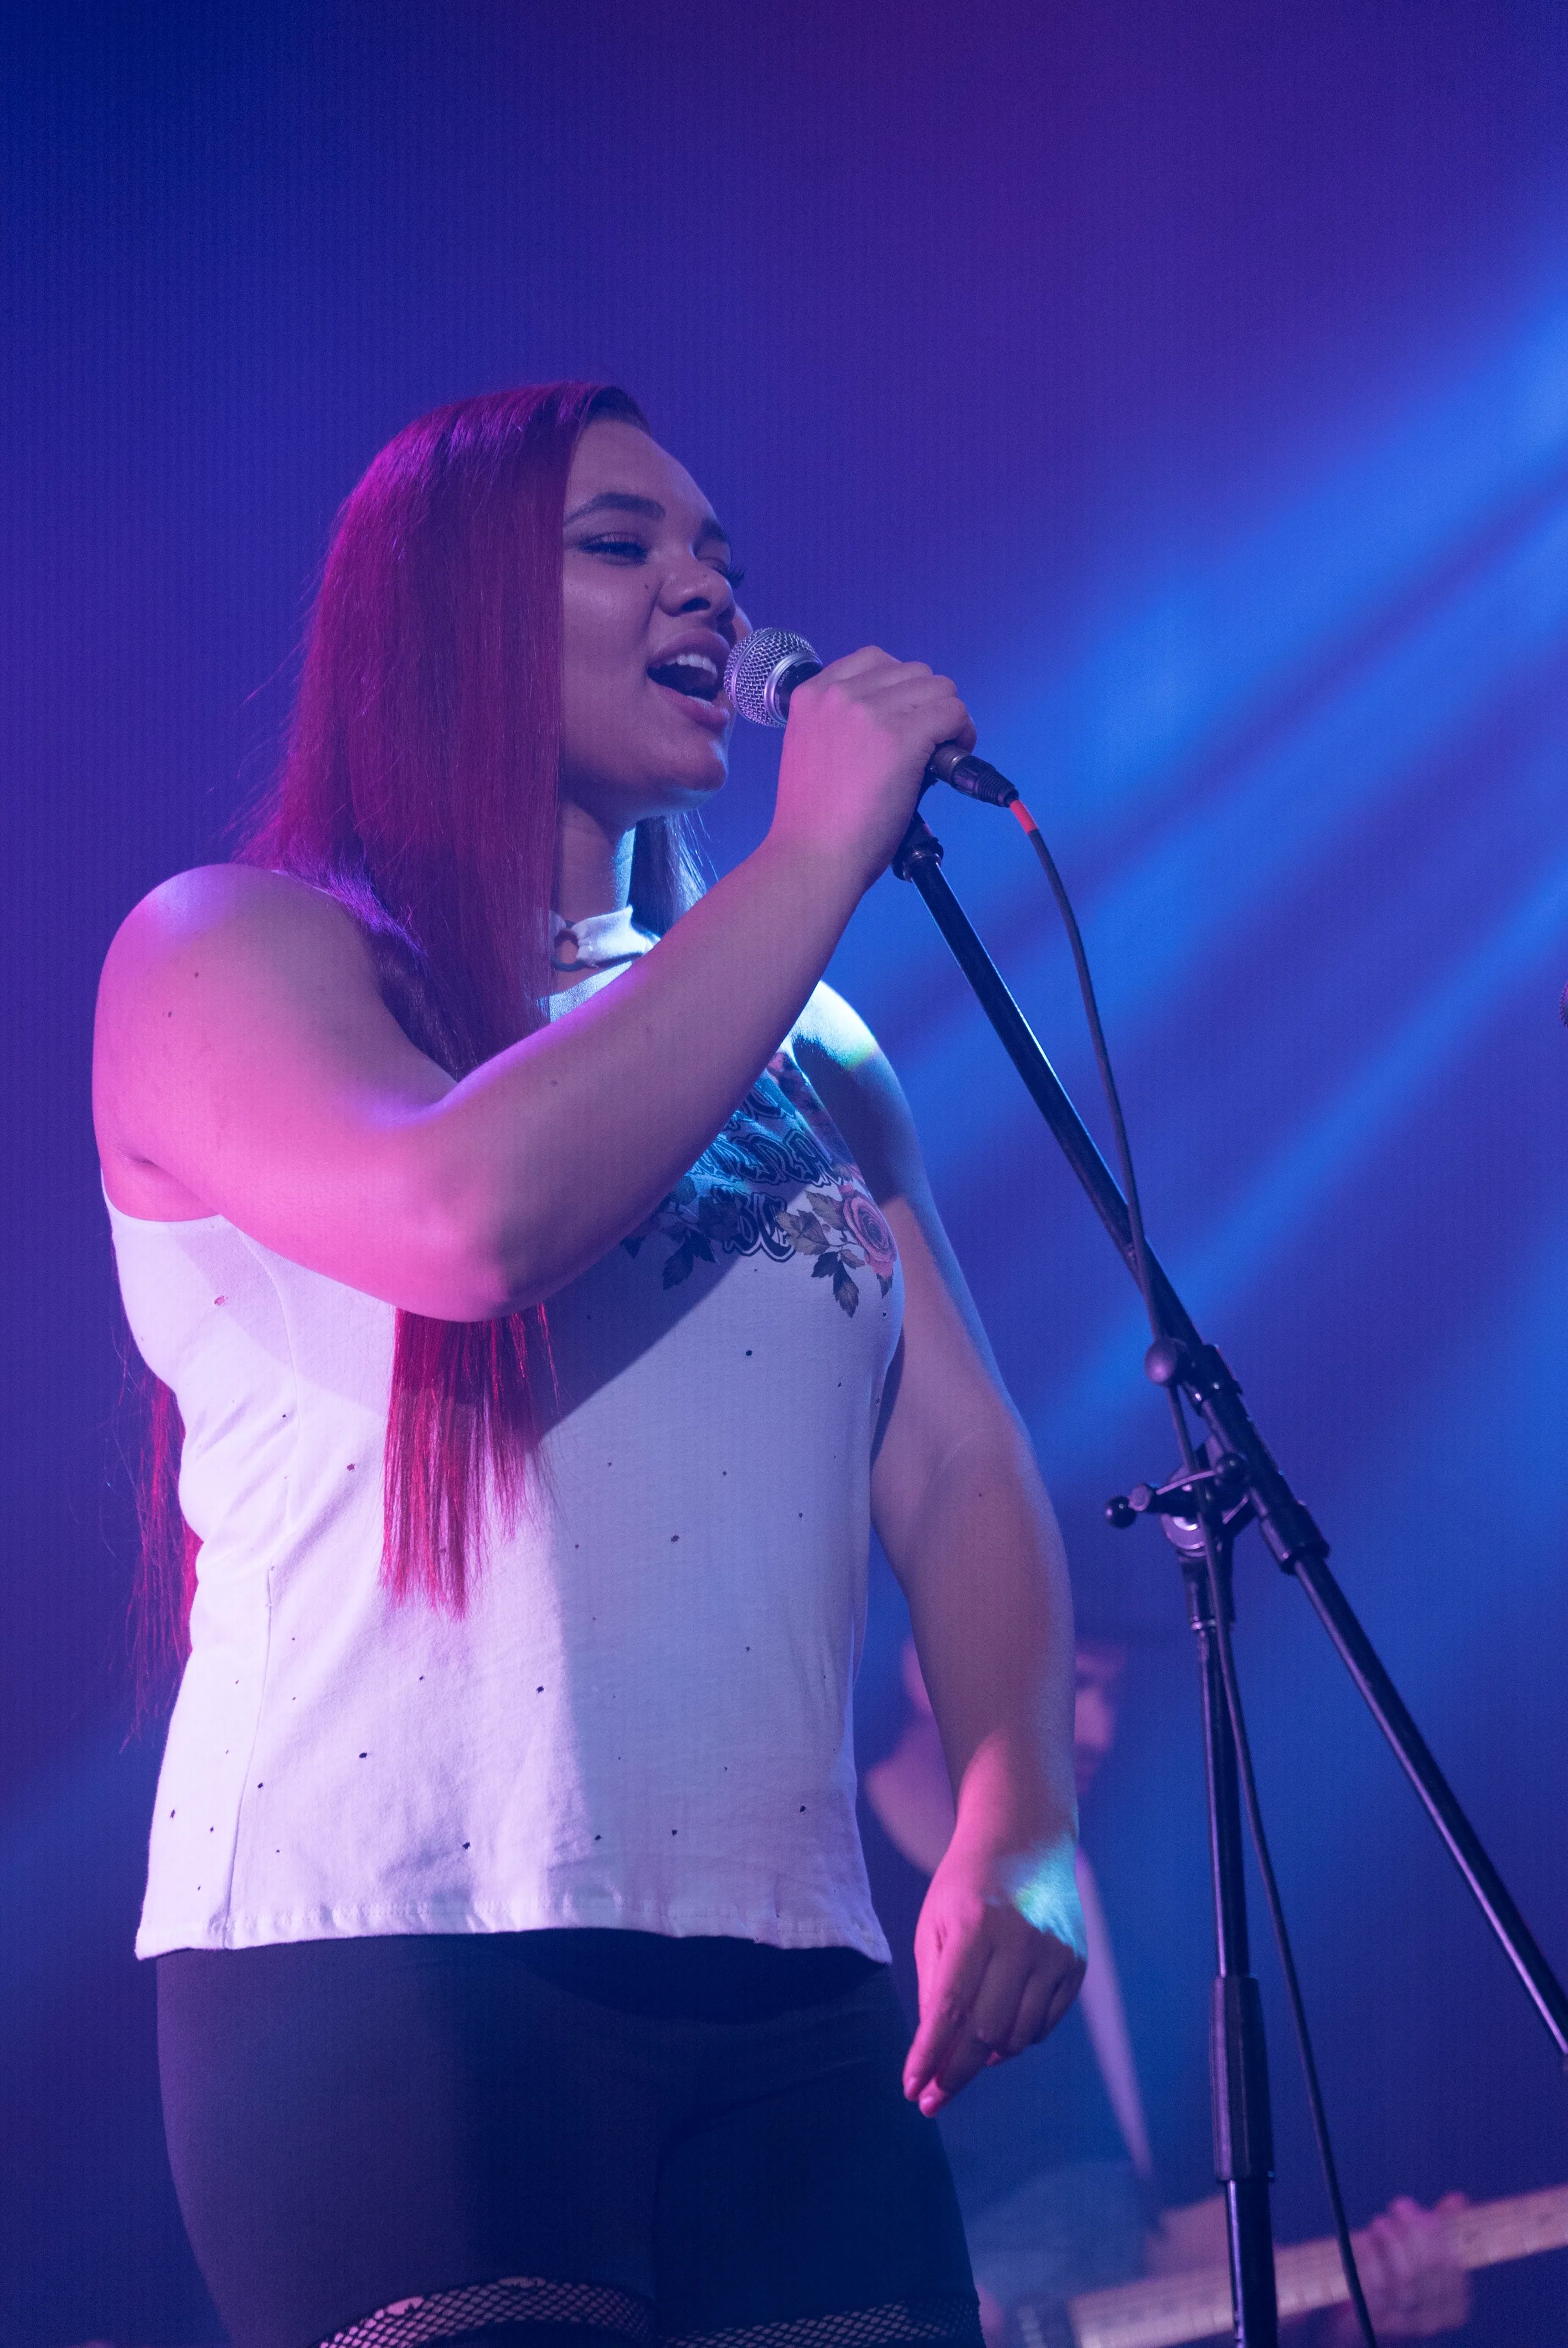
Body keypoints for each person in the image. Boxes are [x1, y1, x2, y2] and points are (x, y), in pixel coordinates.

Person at [91, 384, 1087, 2348]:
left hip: (787, 1971)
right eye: (623, 544)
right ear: (442, 616)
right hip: (398, 1961)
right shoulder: (232, 952)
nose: (707, 590)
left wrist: (1020, 1806)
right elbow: (467, 1222)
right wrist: (808, 865)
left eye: (721, 552)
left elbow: (962, 1472)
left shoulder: (815, 1062)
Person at [861, 1633, 1472, 2345]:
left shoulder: (1125, 1922)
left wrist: (1356, 2315)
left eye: (1112, 1695)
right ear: (920, 1670)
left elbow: (1196, 2247)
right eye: (1070, 1685)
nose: (1097, 1732)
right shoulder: (816, 1905)